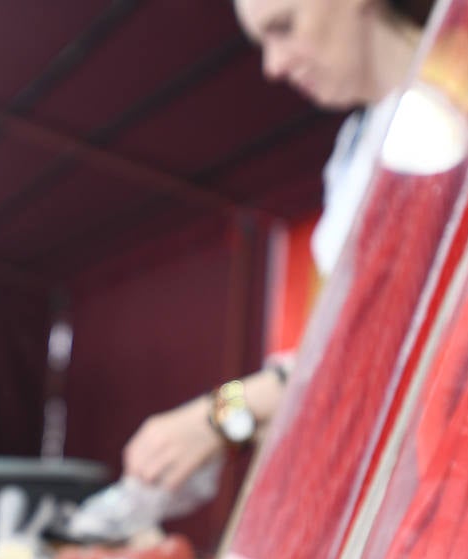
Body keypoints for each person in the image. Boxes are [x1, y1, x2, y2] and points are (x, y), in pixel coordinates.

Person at [123, 0, 434, 493]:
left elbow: (391, 340)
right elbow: (330, 360)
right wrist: (225, 429)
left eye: (285, 27)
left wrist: (217, 416)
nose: (274, 65)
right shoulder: (352, 150)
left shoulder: (453, 95)